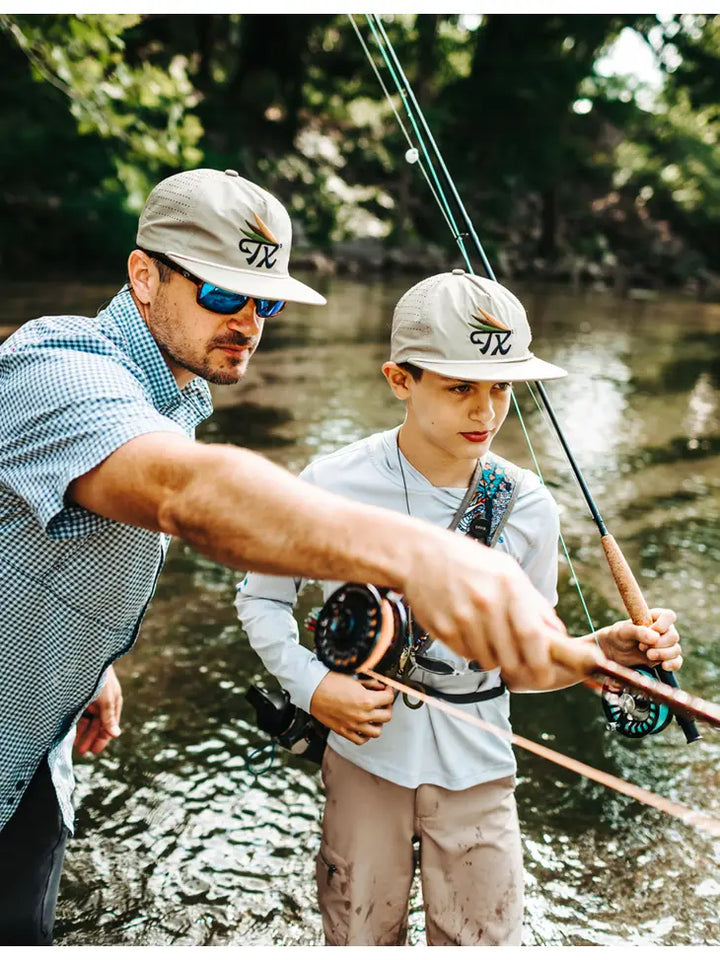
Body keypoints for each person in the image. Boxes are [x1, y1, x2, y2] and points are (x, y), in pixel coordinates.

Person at [0, 171, 572, 946]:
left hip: (38, 747)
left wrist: (89, 664)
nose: (247, 320)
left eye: (266, 302)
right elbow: (189, 497)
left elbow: (48, 541)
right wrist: (423, 557)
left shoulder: (166, 400)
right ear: (144, 275)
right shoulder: (57, 369)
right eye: (222, 293)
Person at [235, 269, 683, 946]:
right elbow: (261, 601)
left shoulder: (527, 504)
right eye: (460, 387)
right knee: (357, 934)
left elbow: (526, 666)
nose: (487, 410)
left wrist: (598, 656)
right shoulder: (328, 483)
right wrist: (315, 687)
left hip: (480, 771)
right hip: (364, 762)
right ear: (399, 380)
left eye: (501, 386)